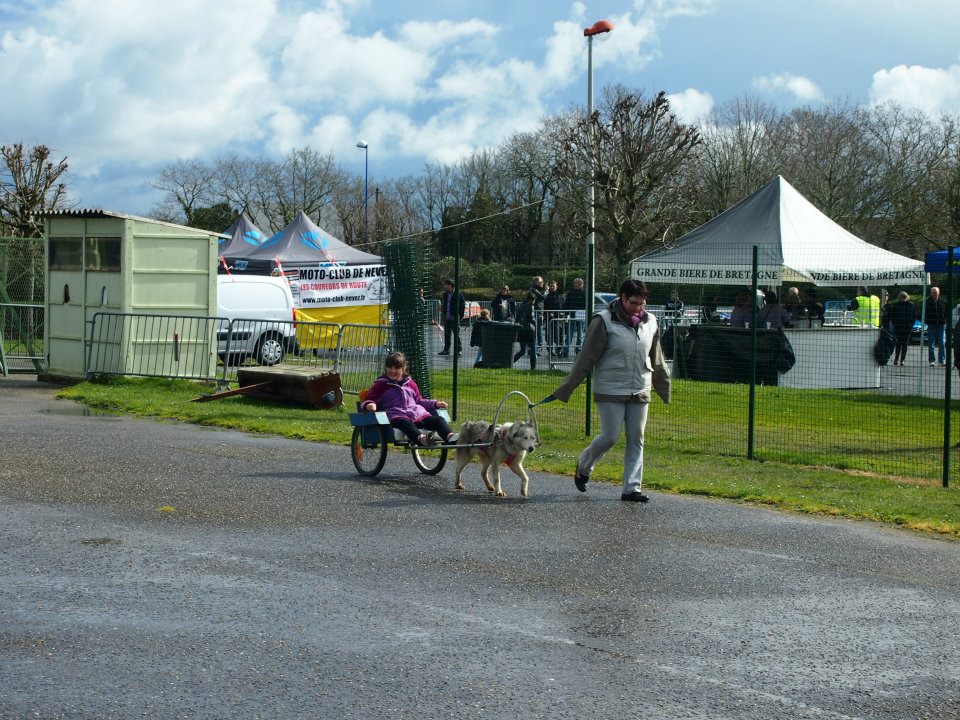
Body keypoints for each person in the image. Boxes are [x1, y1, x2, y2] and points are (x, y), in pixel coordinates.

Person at [546, 279, 670, 503]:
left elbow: (657, 357)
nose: (639, 308)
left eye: (642, 304)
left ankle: (632, 488)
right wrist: (566, 388)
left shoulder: (651, 321)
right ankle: (584, 466)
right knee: (610, 436)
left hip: (640, 386)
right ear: (622, 297)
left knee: (637, 437)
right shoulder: (603, 321)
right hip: (610, 387)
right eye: (634, 303)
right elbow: (586, 358)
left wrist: (663, 385)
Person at [361, 351, 458, 446]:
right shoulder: (381, 384)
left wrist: (435, 403)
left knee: (439, 420)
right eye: (389, 367)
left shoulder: (410, 384)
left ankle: (450, 437)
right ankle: (422, 439)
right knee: (406, 423)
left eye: (397, 368)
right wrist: (370, 404)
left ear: (403, 368)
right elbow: (370, 398)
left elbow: (419, 401)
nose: (392, 370)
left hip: (417, 414)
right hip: (396, 416)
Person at [887, 291, 916, 367]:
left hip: (900, 327)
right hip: (905, 327)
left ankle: (897, 359)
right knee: (904, 344)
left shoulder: (896, 305)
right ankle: (901, 360)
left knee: (899, 344)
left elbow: (892, 316)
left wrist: (894, 324)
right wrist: (911, 324)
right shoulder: (911, 305)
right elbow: (914, 317)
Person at [438, 279, 465, 356]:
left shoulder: (458, 293)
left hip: (455, 317)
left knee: (456, 334)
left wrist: (461, 316)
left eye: (446, 285)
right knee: (447, 334)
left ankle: (458, 350)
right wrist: (442, 309)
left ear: (450, 285)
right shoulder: (445, 294)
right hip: (447, 317)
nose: (444, 286)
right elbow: (445, 304)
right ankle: (446, 350)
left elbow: (462, 305)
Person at [513, 291, 538, 369]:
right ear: (533, 299)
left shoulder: (521, 305)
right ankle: (533, 368)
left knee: (522, 351)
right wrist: (536, 323)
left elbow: (517, 318)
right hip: (530, 330)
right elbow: (531, 317)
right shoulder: (531, 305)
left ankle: (510, 362)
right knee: (533, 350)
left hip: (521, 330)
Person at [563, 277, 586, 355]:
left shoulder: (585, 293)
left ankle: (578, 349)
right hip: (572, 314)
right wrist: (566, 314)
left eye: (580, 283)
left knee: (580, 333)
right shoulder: (571, 293)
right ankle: (566, 350)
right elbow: (566, 304)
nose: (579, 285)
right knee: (570, 332)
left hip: (581, 315)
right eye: (577, 283)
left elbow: (586, 304)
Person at [925, 286, 947, 366]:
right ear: (931, 293)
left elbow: (947, 313)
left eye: (936, 292)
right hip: (931, 325)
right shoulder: (927, 302)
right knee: (931, 343)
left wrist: (945, 321)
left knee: (942, 342)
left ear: (939, 293)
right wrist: (927, 322)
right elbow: (925, 313)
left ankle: (942, 360)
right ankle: (932, 361)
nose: (934, 294)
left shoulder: (943, 302)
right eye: (933, 292)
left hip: (941, 325)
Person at [544, 279, 565, 356]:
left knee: (559, 335)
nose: (552, 287)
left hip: (559, 318)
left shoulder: (560, 296)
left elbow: (563, 306)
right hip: (549, 319)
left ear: (556, 286)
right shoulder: (547, 296)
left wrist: (564, 315)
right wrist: (546, 315)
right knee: (549, 335)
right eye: (551, 286)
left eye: (553, 286)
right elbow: (545, 308)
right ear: (549, 287)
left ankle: (558, 349)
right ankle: (550, 350)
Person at [529, 276, 546, 351]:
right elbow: (542, 297)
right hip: (536, 312)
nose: (543, 283)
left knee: (538, 329)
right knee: (537, 329)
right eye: (541, 282)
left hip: (538, 312)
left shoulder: (536, 289)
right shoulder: (534, 289)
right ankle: (537, 345)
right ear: (537, 282)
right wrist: (547, 290)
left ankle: (538, 345)